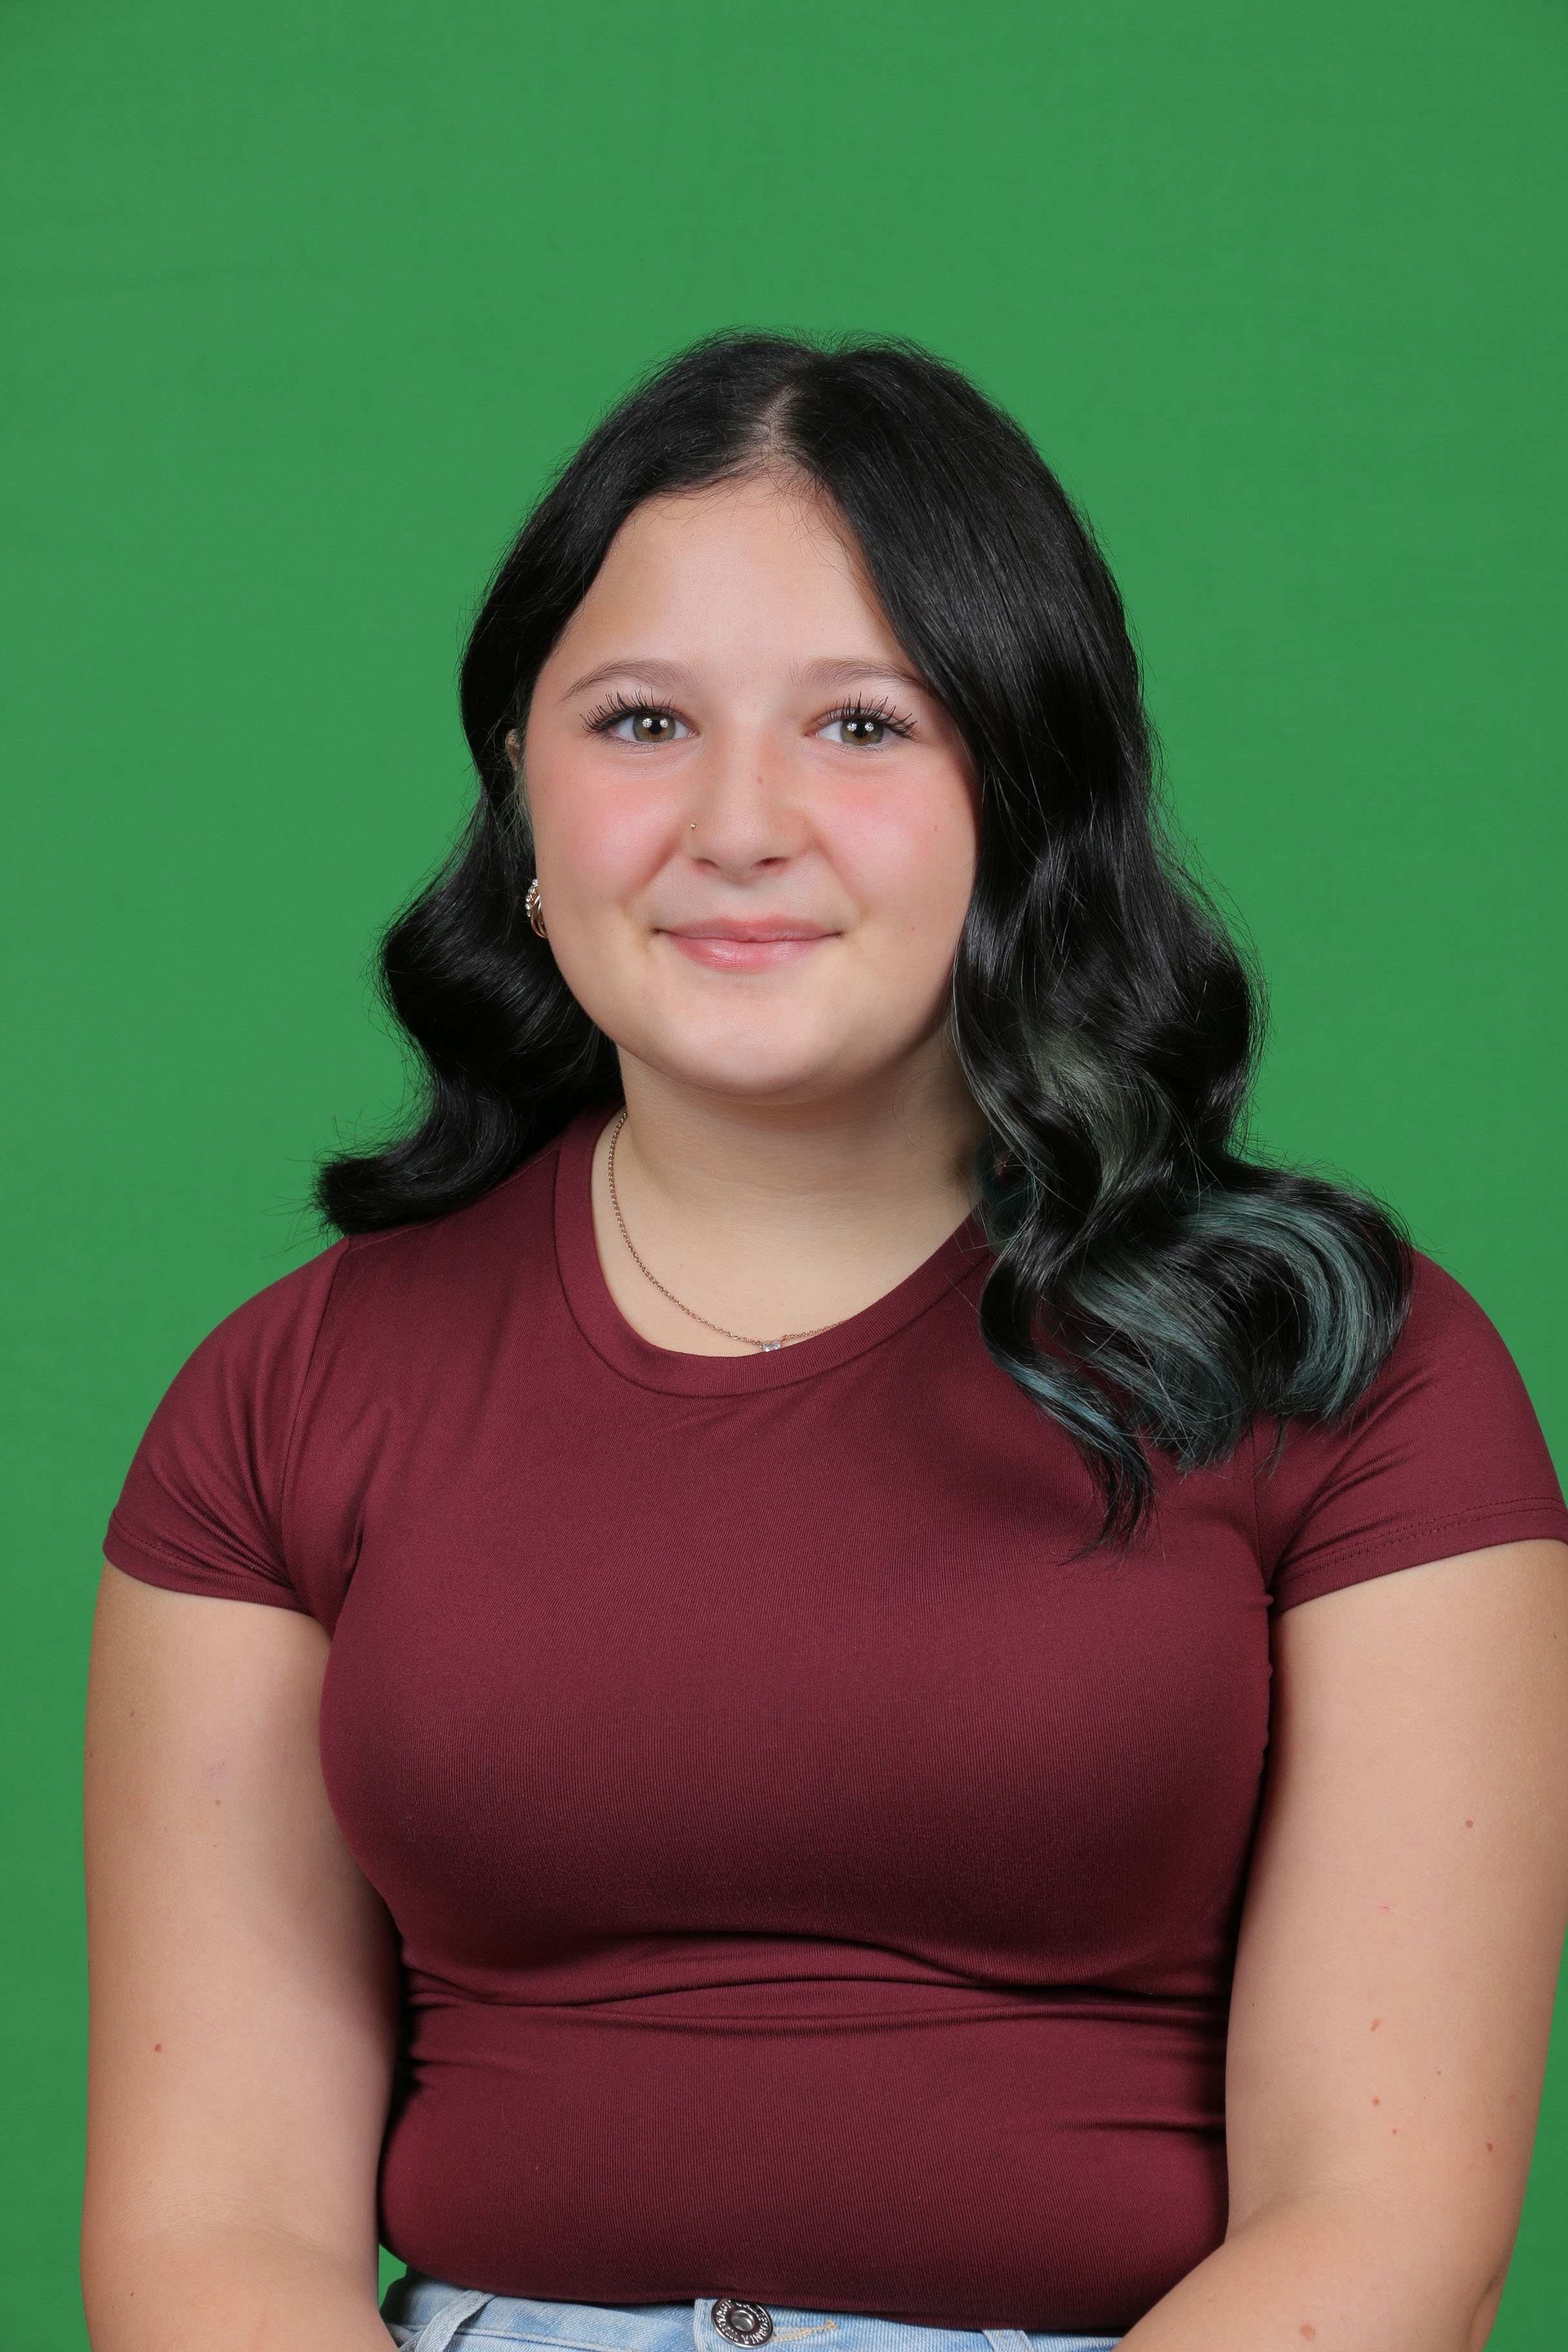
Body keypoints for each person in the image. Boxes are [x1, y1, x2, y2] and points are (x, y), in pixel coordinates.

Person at [83, 333, 1568, 2352]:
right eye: (640, 722)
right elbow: (213, 2227)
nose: (738, 823)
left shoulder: (1347, 1366)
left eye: (863, 725)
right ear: (521, 793)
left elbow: (1386, 2230)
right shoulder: (283, 1399)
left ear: (1025, 794)